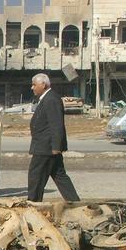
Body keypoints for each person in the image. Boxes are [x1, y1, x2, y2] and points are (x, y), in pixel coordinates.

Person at [27, 73, 79, 202]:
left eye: (34, 84)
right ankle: (74, 202)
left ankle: (33, 204)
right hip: (46, 146)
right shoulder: (46, 98)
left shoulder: (51, 99)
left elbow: (56, 124)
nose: (32, 87)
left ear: (43, 84)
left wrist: (56, 147)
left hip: (46, 147)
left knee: (36, 176)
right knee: (59, 175)